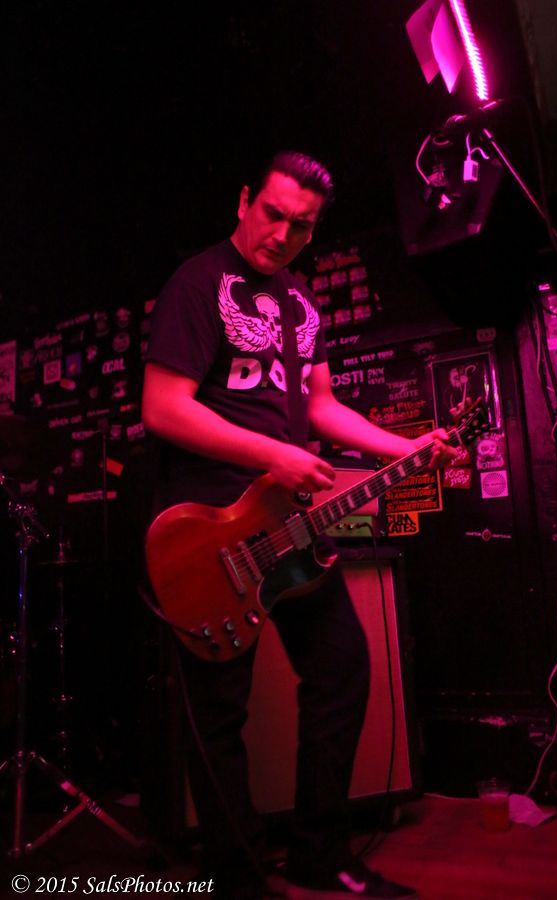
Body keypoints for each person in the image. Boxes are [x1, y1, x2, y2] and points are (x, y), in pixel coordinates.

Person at [142, 151, 455, 900]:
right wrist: (274, 456)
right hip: (211, 529)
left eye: (302, 226)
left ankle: (320, 851)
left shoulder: (301, 304)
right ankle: (240, 875)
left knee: (341, 669)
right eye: (273, 214)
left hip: (288, 526)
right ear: (245, 201)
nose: (283, 234)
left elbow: (320, 406)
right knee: (220, 715)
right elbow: (163, 408)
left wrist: (405, 447)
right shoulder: (198, 282)